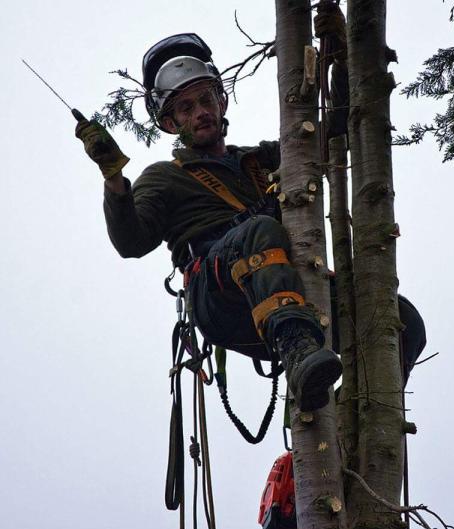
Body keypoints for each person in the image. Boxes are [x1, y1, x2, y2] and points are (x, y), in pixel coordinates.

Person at [74, 9, 350, 412]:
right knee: (258, 231)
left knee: (398, 318)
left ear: (221, 101)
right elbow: (131, 241)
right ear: (170, 124)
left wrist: (340, 62)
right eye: (185, 108)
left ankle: (353, 415)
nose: (200, 111)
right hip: (219, 294)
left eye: (206, 99)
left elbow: (335, 135)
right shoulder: (164, 178)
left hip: (283, 288)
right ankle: (297, 351)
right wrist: (114, 178)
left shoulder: (266, 159)